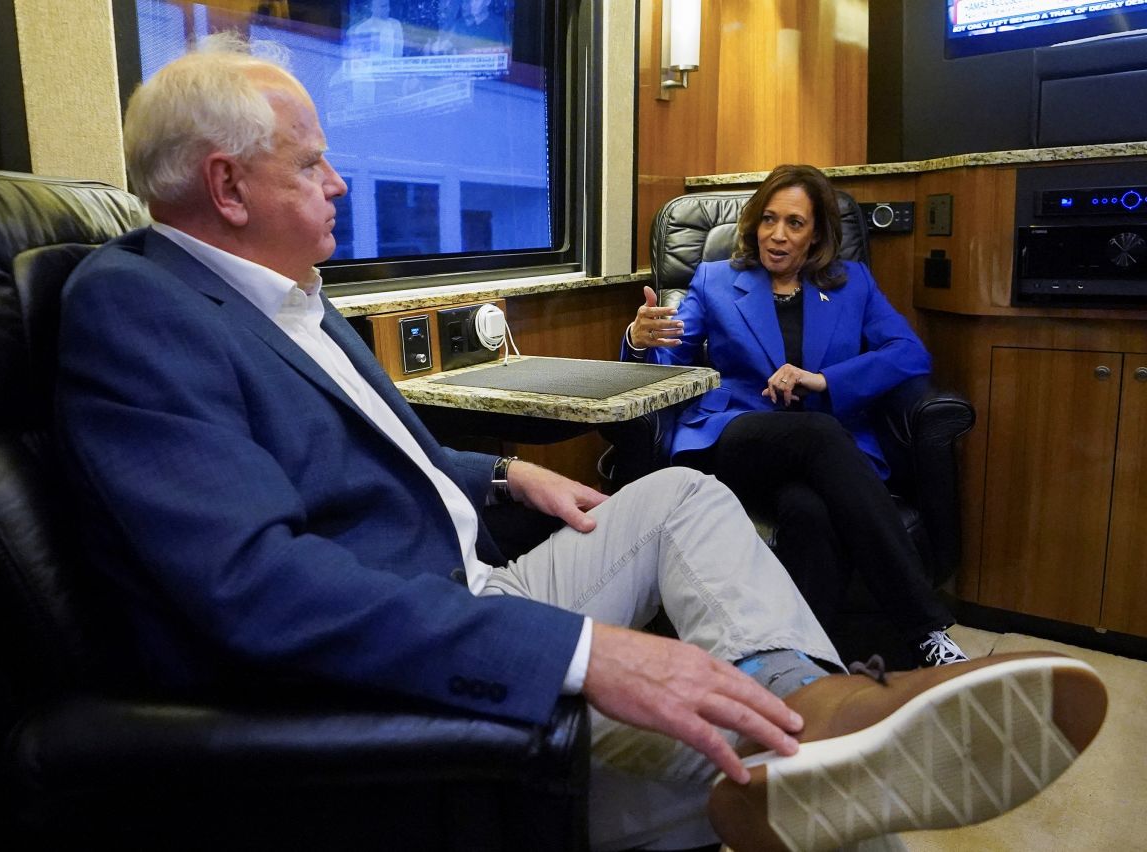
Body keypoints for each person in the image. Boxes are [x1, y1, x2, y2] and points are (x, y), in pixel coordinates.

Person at [54, 37, 1103, 851]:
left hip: (465, 575)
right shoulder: (139, 309)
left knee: (691, 502)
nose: (339, 185)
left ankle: (812, 695)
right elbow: (253, 587)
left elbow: (373, 455)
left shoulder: (293, 300)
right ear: (229, 187)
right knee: (798, 784)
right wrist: (584, 651)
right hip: (387, 656)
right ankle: (822, 730)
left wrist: (503, 469)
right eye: (316, 163)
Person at [623, 164, 969, 668]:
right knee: (820, 432)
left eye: (794, 224)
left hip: (822, 459)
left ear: (818, 235)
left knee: (811, 511)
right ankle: (925, 628)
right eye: (768, 220)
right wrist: (640, 340)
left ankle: (810, 666)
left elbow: (909, 353)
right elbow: (667, 362)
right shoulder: (716, 279)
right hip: (737, 436)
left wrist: (825, 381)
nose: (777, 236)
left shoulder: (853, 285)